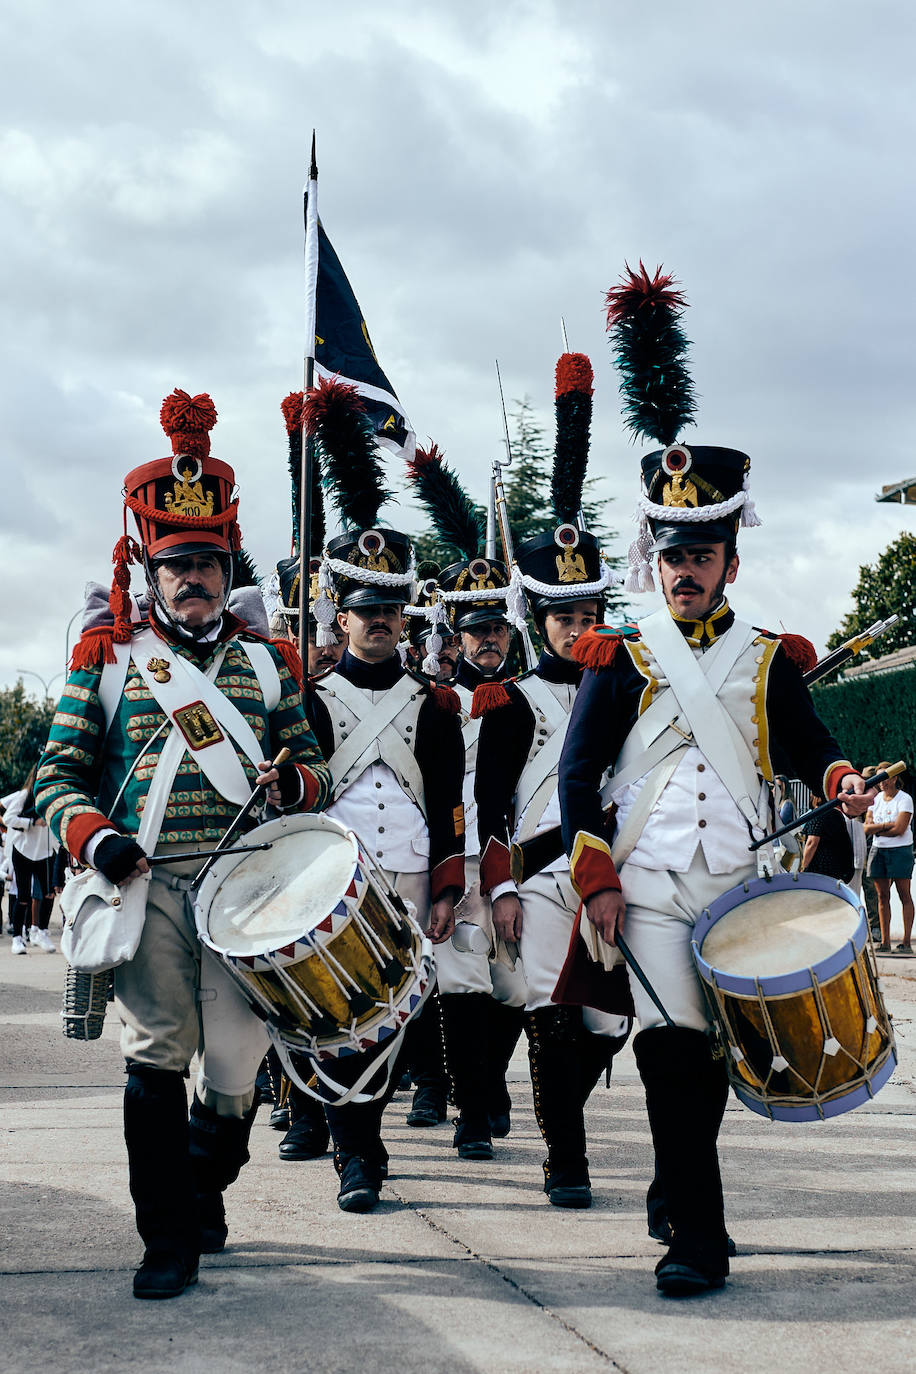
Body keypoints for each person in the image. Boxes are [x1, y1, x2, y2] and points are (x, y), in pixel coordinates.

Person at [558, 260, 874, 1298]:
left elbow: (807, 745)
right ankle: (698, 1236)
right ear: (651, 559)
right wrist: (594, 872)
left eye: (703, 551)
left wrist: (839, 784)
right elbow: (578, 773)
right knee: (668, 1050)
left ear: (731, 558)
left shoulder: (769, 655)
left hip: (739, 878)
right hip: (646, 883)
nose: (684, 568)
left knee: (716, 1067)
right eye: (670, 552)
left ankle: (677, 1184)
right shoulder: (620, 655)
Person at [34, 389, 331, 1300]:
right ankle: (167, 1238)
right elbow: (55, 782)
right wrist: (98, 840)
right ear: (149, 571)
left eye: (207, 562)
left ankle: (203, 1190)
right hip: (152, 885)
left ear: (224, 564)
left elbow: (316, 764)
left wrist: (295, 782)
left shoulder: (270, 661)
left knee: (238, 1076)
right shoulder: (110, 663)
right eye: (176, 564)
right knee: (158, 1056)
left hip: (248, 891)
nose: (193, 578)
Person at [303, 378, 466, 1212]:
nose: (377, 622)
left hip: (405, 875)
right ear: (340, 613)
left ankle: (362, 1126)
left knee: (399, 1019)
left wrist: (447, 885)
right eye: (364, 610)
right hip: (333, 879)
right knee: (341, 1019)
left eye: (390, 609)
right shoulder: (310, 698)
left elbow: (448, 805)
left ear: (406, 616)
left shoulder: (436, 705)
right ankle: (357, 1156)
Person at [475, 349, 628, 1210]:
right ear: (542, 618)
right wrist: (497, 886)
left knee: (610, 1018)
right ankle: (563, 1160)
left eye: (588, 615)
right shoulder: (509, 698)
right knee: (549, 1010)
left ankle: (563, 1113)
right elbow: (488, 804)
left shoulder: (633, 690)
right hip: (534, 874)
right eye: (564, 617)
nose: (577, 629)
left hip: (611, 867)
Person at [433, 555, 528, 1159]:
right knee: (463, 986)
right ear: (458, 636)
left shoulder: (529, 698)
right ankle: (472, 1108)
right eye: (475, 630)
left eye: (495, 629)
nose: (486, 639)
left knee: (515, 990)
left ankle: (490, 1082)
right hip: (461, 860)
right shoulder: (436, 703)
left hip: (520, 862)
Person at [3, 765, 60, 953]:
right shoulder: (24, 796)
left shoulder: (55, 796)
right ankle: (18, 938)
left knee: (48, 894)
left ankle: (40, 931)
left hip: (45, 852)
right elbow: (9, 818)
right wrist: (32, 823)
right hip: (23, 851)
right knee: (23, 897)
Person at [864, 764, 914, 952]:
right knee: (882, 896)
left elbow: (900, 829)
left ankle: (906, 942)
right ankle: (885, 942)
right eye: (878, 779)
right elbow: (867, 827)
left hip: (900, 850)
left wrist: (878, 829)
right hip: (879, 851)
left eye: (884, 778)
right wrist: (887, 826)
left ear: (894, 778)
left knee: (904, 894)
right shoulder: (876, 799)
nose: (881, 783)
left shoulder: (905, 799)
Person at [800, 794, 854, 883]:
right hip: (837, 867)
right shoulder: (837, 814)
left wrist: (803, 866)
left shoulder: (817, 815)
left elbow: (812, 843)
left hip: (820, 868)